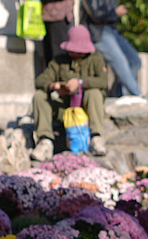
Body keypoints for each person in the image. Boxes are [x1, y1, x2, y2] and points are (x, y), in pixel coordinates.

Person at [31, 25, 112, 158]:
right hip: (64, 109)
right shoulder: (59, 61)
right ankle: (45, 141)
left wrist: (80, 83)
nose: (77, 53)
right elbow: (39, 81)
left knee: (94, 93)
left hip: (85, 108)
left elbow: (103, 82)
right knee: (40, 96)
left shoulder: (95, 59)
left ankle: (96, 137)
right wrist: (55, 86)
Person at [80, 0, 143, 98]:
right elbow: (95, 15)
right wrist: (114, 13)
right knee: (120, 61)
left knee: (135, 61)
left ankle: (118, 94)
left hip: (112, 31)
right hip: (98, 33)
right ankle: (138, 94)